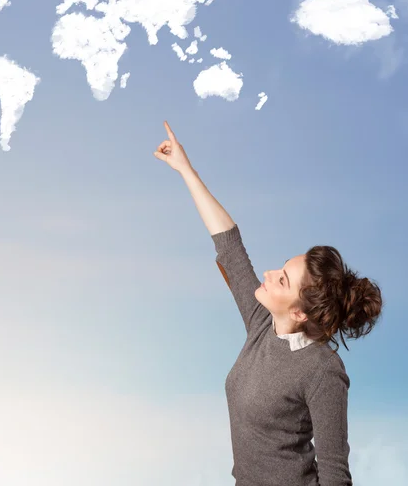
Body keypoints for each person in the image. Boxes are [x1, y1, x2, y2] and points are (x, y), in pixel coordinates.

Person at [153, 121, 383, 486]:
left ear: (299, 312)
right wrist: (185, 168)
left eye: (282, 279)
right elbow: (229, 245)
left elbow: (336, 476)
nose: (269, 272)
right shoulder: (263, 324)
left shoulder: (323, 370)